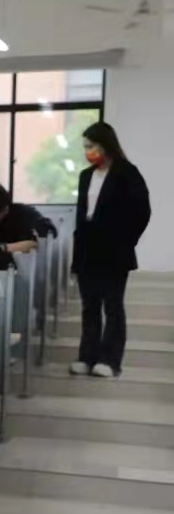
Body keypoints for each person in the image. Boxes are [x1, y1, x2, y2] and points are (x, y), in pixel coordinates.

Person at [71, 122, 151, 379]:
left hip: (115, 250)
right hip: (88, 248)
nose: (88, 151)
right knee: (89, 306)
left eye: (91, 146)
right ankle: (87, 356)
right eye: (85, 147)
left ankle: (110, 360)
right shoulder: (86, 176)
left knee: (113, 306)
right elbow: (81, 216)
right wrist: (76, 257)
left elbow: (142, 211)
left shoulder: (127, 172)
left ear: (105, 145)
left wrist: (126, 241)